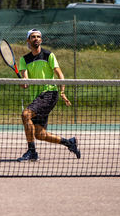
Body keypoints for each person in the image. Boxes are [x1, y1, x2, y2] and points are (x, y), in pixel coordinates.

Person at [17, 28, 80, 162]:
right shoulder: (24, 59)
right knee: (39, 134)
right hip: (37, 96)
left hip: (50, 93)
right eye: (33, 37)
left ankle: (32, 152)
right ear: (28, 40)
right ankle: (69, 142)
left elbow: (60, 75)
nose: (36, 39)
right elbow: (26, 81)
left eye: (38, 37)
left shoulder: (48, 55)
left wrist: (62, 92)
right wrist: (23, 83)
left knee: (25, 114)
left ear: (41, 40)